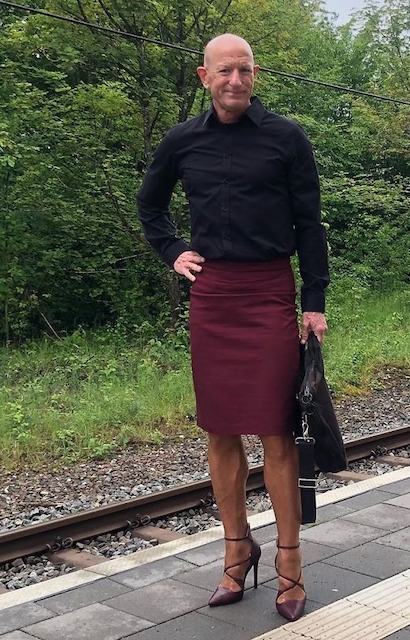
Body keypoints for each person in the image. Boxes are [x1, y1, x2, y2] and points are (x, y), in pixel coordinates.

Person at [137, 33, 329, 622]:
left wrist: (313, 301)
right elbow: (150, 205)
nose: (235, 80)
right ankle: (235, 552)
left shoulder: (286, 137)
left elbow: (308, 221)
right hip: (214, 296)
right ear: (204, 76)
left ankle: (290, 565)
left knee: (275, 429)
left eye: (244, 70)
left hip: (270, 292)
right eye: (225, 71)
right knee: (219, 429)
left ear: (255, 74)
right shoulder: (183, 140)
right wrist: (173, 250)